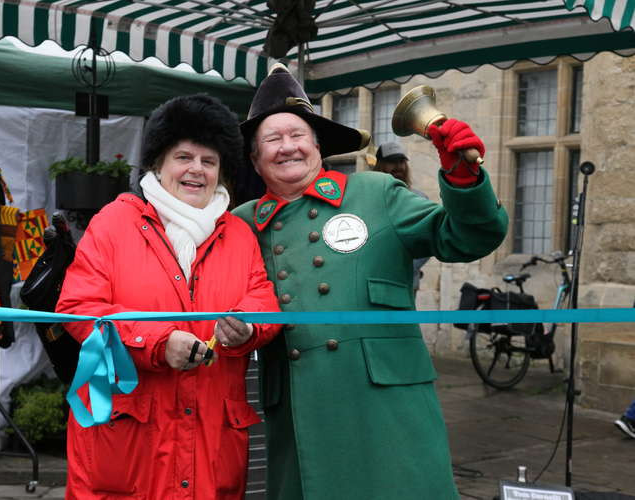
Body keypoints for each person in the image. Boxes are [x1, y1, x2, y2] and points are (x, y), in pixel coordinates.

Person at [232, 64, 508, 500]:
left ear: (318, 147)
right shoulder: (240, 224)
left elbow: (466, 237)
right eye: (272, 139)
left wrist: (461, 177)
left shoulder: (376, 193)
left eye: (298, 135)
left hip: (387, 409)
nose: (288, 147)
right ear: (254, 158)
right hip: (302, 411)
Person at [56, 94, 282, 500]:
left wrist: (247, 327)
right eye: (184, 157)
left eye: (208, 161)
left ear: (221, 172)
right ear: (158, 164)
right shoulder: (113, 223)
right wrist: (157, 343)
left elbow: (262, 301)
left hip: (211, 446)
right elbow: (78, 309)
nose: (196, 170)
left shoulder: (239, 235)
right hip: (129, 443)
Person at [371, 141, 430, 294]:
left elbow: (428, 241)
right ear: (379, 166)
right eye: (391, 162)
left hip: (406, 281)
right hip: (372, 280)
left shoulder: (419, 199)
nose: (398, 167)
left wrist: (406, 266)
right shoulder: (367, 198)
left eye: (401, 161)